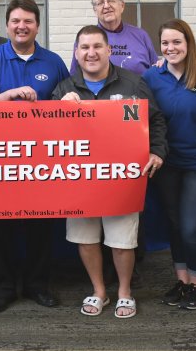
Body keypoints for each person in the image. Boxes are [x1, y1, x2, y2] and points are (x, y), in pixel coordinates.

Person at [52, 25, 167, 318]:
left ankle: (125, 292)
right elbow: (48, 135)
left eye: (97, 47)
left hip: (121, 179)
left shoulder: (133, 83)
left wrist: (157, 151)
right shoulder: (65, 88)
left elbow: (156, 121)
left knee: (122, 241)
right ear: (76, 53)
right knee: (86, 239)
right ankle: (99, 291)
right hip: (79, 180)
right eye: (85, 48)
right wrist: (58, 110)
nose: (91, 53)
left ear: (108, 50)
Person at [0, 0, 69, 312]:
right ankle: (3, 288)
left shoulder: (53, 61)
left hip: (43, 159)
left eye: (28, 21)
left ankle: (36, 285)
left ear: (37, 26)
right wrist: (11, 95)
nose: (21, 26)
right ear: (7, 25)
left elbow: (66, 106)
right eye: (15, 21)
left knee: (41, 226)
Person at [142, 19, 196, 310]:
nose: (171, 48)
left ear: (188, 44)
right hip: (168, 162)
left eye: (177, 42)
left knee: (191, 227)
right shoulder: (152, 78)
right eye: (165, 43)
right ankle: (182, 279)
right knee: (175, 224)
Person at [70, 0, 158, 76]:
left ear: (122, 5)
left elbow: (156, 74)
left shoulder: (141, 36)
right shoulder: (85, 40)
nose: (106, 6)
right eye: (100, 3)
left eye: (111, 0)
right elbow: (74, 79)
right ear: (95, 10)